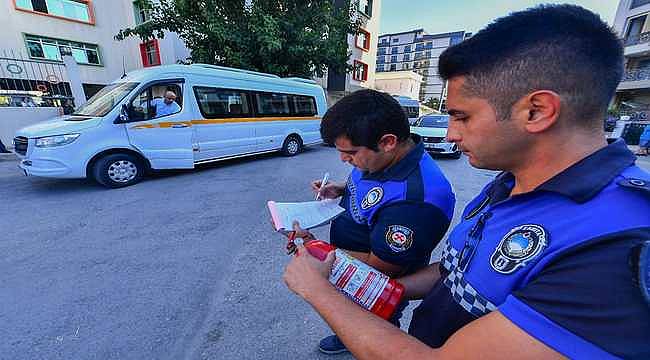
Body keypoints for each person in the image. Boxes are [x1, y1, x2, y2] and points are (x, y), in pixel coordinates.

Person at [283, 4, 650, 359]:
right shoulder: (510, 182)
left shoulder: (617, 244)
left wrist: (319, 289)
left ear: (536, 111)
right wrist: (373, 286)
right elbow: (454, 271)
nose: (451, 134)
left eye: (462, 117)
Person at [289, 89, 455, 354]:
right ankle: (348, 335)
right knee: (350, 310)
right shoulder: (379, 159)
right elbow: (372, 190)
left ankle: (364, 341)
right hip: (350, 260)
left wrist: (313, 249)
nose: (344, 159)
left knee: (374, 318)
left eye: (350, 152)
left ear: (388, 141)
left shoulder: (415, 201)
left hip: (370, 281)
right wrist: (342, 188)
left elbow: (377, 272)